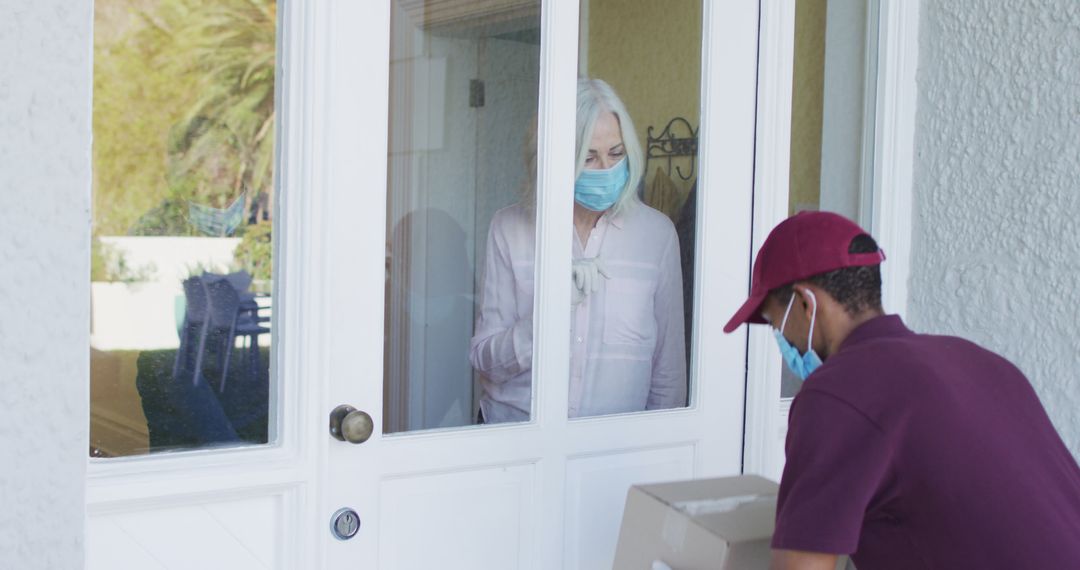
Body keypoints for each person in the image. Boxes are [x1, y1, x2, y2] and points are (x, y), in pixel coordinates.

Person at [723, 211, 1080, 569]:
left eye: (775, 322)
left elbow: (801, 567)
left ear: (805, 303)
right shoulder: (984, 363)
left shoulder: (836, 392)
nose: (783, 340)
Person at [469, 78, 686, 423]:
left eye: (616, 154)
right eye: (589, 158)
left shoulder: (656, 235)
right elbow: (486, 361)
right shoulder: (510, 229)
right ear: (552, 159)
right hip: (516, 438)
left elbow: (668, 372)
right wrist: (548, 314)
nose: (606, 169)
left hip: (615, 447)